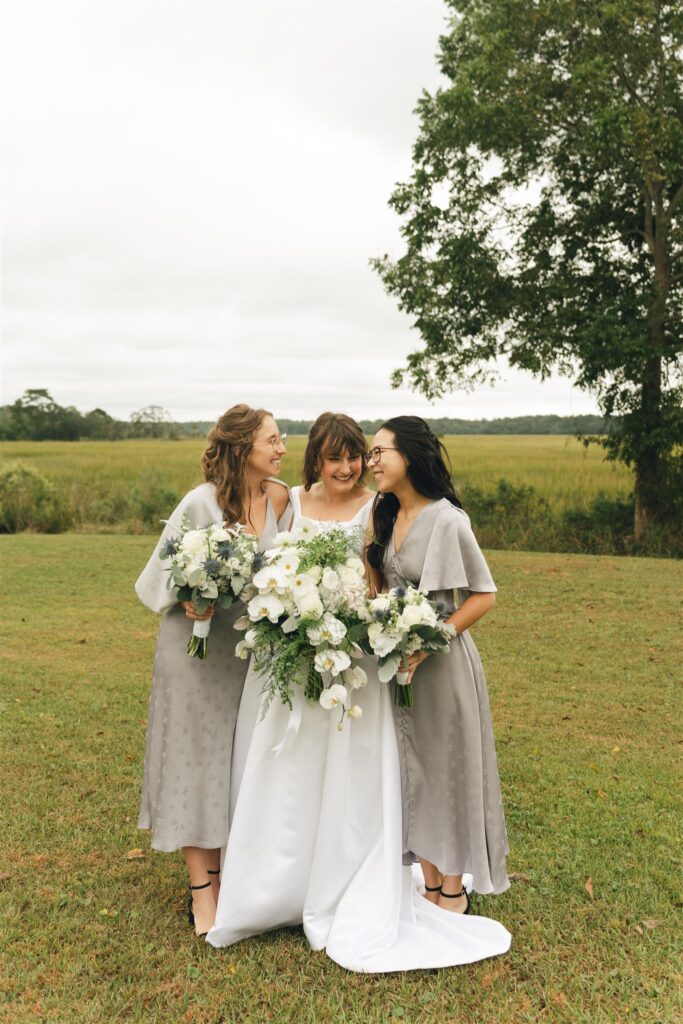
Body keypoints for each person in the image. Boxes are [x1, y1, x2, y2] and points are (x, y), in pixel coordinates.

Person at [207, 413, 511, 971]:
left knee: (366, 772)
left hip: (359, 662)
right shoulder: (289, 500)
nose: (349, 467)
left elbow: (383, 583)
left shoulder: (383, 507)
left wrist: (372, 622)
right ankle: (279, 883)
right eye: (335, 457)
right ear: (315, 461)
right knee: (289, 772)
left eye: (360, 455)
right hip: (299, 657)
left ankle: (374, 877)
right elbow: (251, 533)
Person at [135, 404, 290, 936]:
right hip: (195, 656)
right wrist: (189, 600)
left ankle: (230, 877)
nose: (282, 448)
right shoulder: (198, 504)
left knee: (235, 765)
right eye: (273, 439)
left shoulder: (278, 499)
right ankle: (204, 894)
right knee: (195, 763)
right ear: (244, 446)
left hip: (249, 657)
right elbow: (155, 579)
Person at [366, 416, 509, 910]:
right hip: (398, 669)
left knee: (447, 771)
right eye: (372, 452)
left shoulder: (448, 520)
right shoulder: (383, 514)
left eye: (381, 450)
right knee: (415, 771)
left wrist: (433, 638)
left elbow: (484, 595)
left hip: (443, 668)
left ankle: (453, 891)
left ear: (410, 455)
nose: (373, 461)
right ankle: (428, 885)